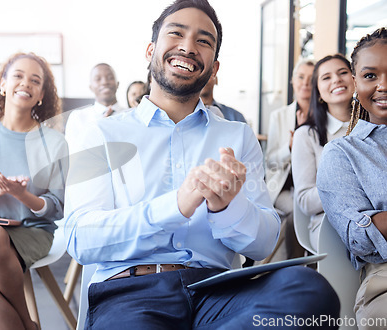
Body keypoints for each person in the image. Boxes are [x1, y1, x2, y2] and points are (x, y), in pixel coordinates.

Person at [64, 0, 339, 328]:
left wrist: (228, 210)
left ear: (214, 67)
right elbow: (80, 238)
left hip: (218, 292)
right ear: (151, 49)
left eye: (204, 41)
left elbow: (265, 241)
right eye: (176, 33)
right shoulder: (101, 132)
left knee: (308, 290)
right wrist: (175, 206)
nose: (188, 46)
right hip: (131, 293)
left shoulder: (237, 136)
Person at [0, 52, 68, 330]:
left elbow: (58, 207)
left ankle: (26, 323)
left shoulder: (53, 142)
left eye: (35, 81)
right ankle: (28, 324)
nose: (26, 83)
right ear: (3, 84)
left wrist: (22, 195)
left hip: (34, 230)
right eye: (18, 76)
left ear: (41, 95)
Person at [317, 27, 387, 330]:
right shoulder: (342, 153)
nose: (384, 85)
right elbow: (359, 237)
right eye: (371, 76)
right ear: (356, 83)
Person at [292, 54, 353, 252]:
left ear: (355, 79)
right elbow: (305, 201)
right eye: (326, 77)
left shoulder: (374, 127)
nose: (336, 79)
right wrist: (349, 185)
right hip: (328, 224)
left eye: (343, 72)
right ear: (317, 91)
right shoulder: (306, 135)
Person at [264, 59, 314, 260]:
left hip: (311, 185)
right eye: (301, 77)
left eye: (311, 79)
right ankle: (296, 265)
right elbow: (270, 161)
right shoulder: (279, 116)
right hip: (283, 188)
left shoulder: (323, 116)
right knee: (297, 212)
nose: (305, 83)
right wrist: (290, 147)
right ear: (293, 81)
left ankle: (317, 266)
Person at [65, 63, 126, 152]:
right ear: (91, 87)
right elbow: (73, 153)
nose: (105, 82)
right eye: (98, 79)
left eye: (110, 77)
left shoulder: (131, 114)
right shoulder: (77, 117)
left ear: (118, 84)